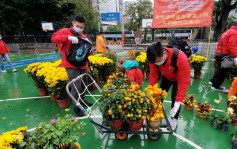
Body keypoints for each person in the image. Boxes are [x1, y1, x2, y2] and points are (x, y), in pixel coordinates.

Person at [51, 15, 93, 117]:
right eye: (78, 26)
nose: (80, 28)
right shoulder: (66, 31)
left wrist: (89, 48)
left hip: (82, 64)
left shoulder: (83, 36)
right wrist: (68, 38)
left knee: (83, 84)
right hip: (70, 64)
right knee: (76, 85)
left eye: (82, 27)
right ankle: (76, 106)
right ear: (73, 23)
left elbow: (90, 52)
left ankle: (82, 101)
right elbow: (54, 38)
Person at [147, 41, 190, 130]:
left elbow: (184, 81)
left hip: (178, 79)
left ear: (164, 53)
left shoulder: (181, 58)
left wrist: (178, 101)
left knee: (175, 98)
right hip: (166, 76)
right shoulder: (153, 59)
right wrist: (152, 92)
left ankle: (174, 119)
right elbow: (153, 77)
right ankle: (155, 113)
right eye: (155, 63)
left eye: (158, 62)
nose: (157, 64)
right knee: (159, 96)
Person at [209, 23, 237, 92]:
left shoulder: (227, 32)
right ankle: (215, 86)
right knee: (223, 71)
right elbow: (232, 45)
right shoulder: (234, 33)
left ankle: (212, 81)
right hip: (225, 55)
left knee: (220, 69)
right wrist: (235, 56)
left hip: (219, 53)